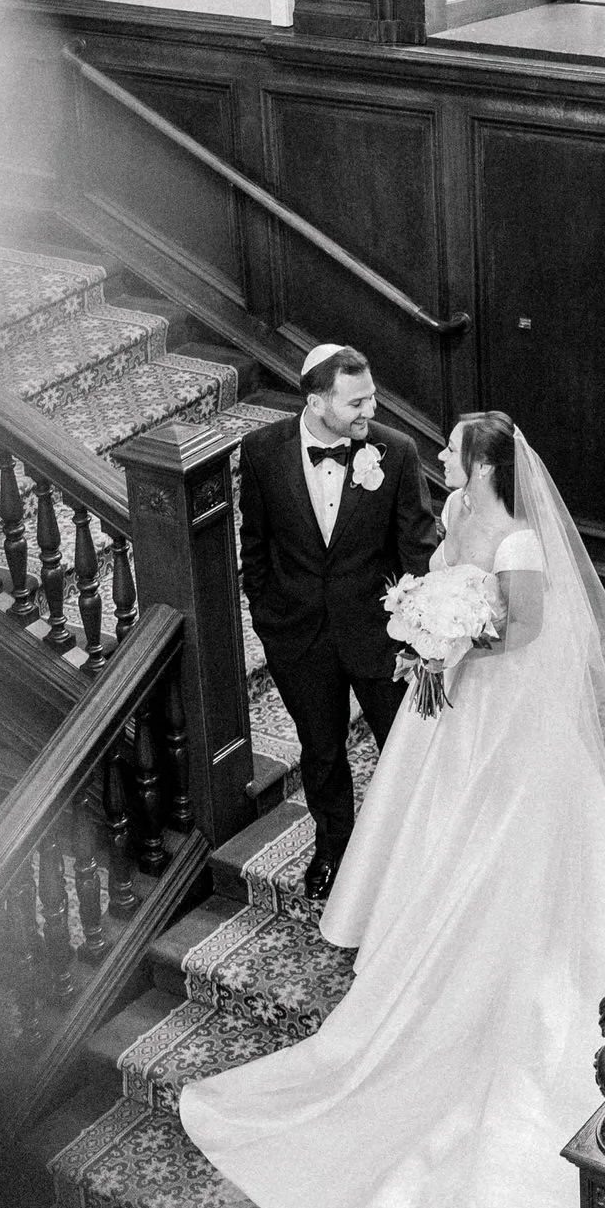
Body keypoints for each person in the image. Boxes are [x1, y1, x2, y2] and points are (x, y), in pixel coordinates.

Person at [182, 411, 605, 1208]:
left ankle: (513, 948)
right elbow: (439, 590)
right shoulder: (461, 519)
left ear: (482, 462)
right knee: (437, 831)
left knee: (506, 843)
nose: (436, 455)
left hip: (503, 714)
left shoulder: (512, 539)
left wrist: (455, 638)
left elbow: (530, 632)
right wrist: (427, 632)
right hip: (452, 711)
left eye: (451, 448)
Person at [237, 342, 440, 900]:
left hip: (379, 636)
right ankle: (334, 851)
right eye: (356, 403)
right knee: (320, 751)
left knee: (402, 747)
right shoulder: (260, 452)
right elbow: (254, 544)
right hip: (298, 635)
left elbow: (417, 549)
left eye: (371, 398)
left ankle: (412, 854)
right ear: (317, 400)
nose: (369, 412)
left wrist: (421, 630)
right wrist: (268, 618)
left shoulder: (395, 452)